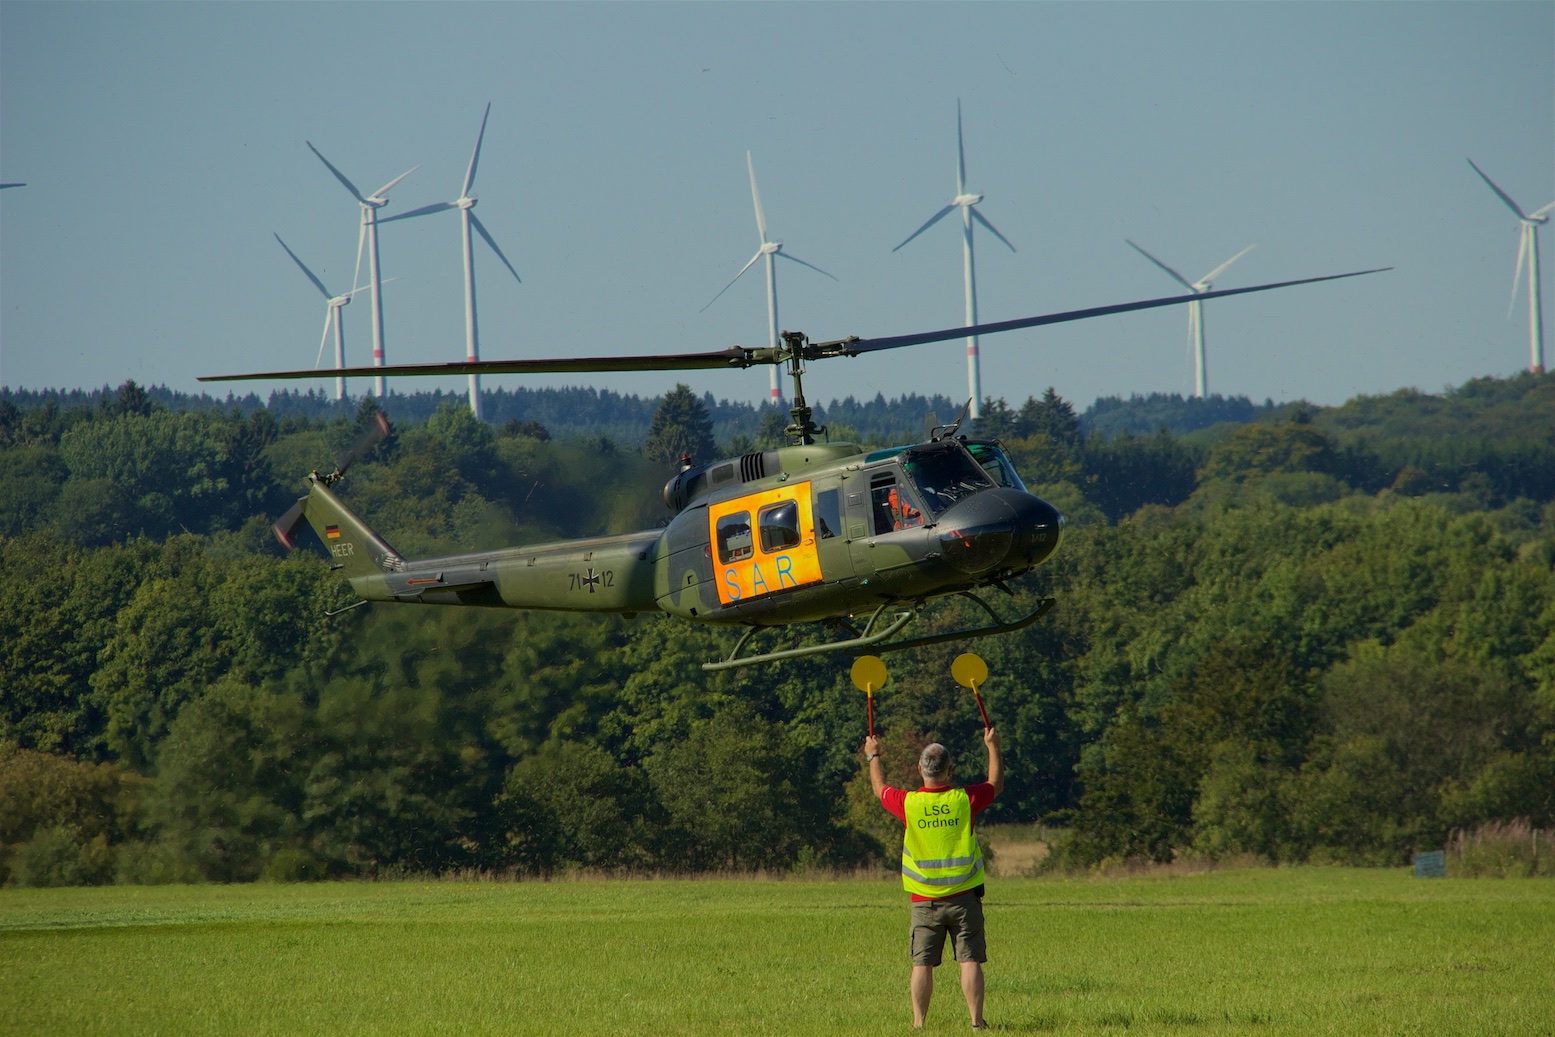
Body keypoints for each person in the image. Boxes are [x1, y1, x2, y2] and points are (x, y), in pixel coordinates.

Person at [864, 727, 1002, 1030]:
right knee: (969, 961)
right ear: (949, 770)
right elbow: (994, 783)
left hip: (924, 900)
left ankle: (919, 1024)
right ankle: (977, 1024)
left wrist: (873, 754)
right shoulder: (964, 799)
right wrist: (992, 746)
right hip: (964, 897)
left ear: (920, 769)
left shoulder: (909, 803)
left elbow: (879, 788)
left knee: (922, 964)